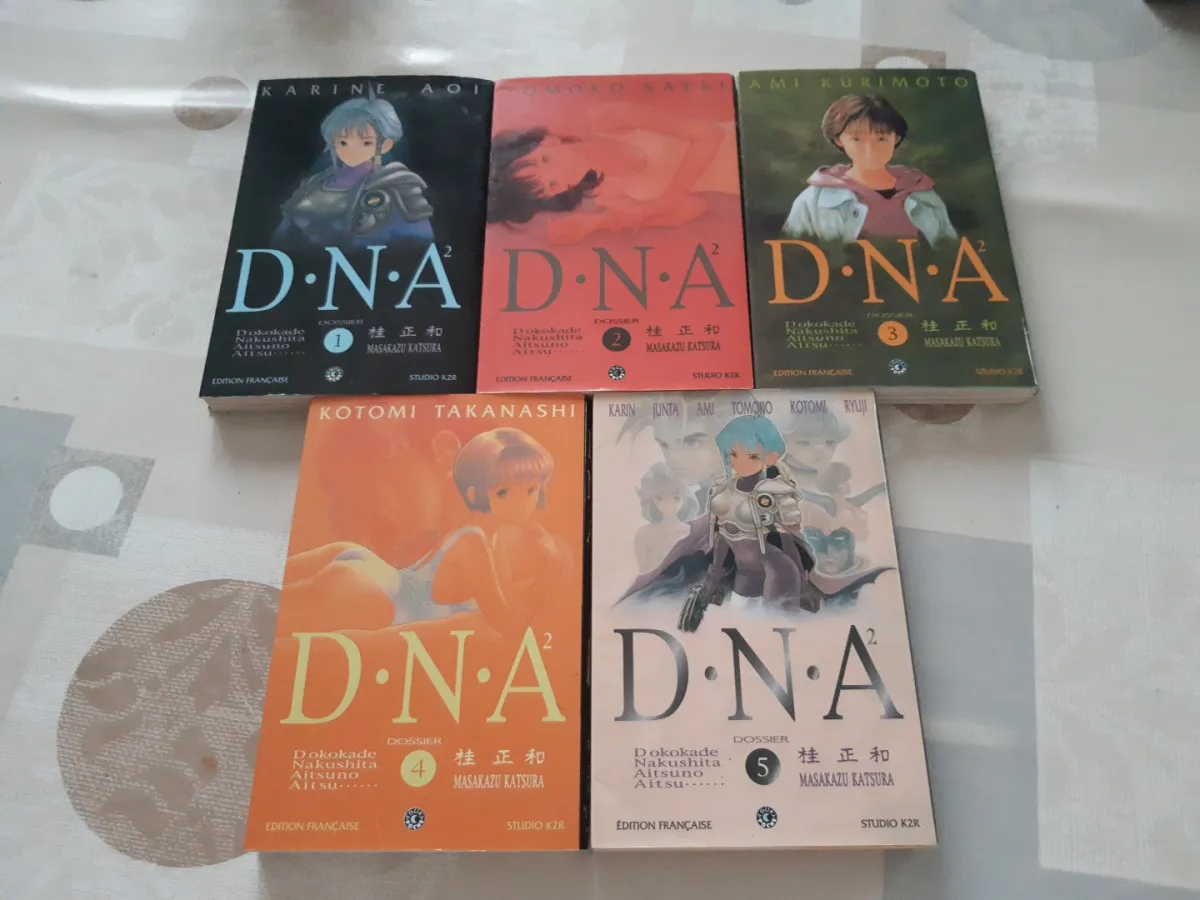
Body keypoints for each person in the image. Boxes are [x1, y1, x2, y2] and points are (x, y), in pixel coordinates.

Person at [277, 427, 572, 642]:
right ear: (474, 494)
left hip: (369, 573)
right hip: (373, 594)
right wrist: (553, 567)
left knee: (268, 594)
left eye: (532, 489)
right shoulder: (474, 545)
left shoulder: (488, 542)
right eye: (505, 492)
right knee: (264, 615)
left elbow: (508, 600)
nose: (524, 502)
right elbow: (510, 625)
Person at [617, 415, 890, 630]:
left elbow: (789, 539)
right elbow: (721, 536)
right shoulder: (723, 489)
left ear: (769, 457)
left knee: (775, 631)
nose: (740, 462)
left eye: (752, 457)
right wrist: (714, 575)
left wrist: (804, 583)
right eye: (734, 455)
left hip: (777, 569)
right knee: (740, 627)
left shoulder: (775, 492)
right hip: (741, 573)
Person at [487, 100, 738, 244]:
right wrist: (597, 224)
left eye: (546, 160)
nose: (563, 174)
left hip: (747, 141)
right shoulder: (606, 195)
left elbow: (710, 134)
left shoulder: (604, 120)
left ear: (547, 141)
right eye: (552, 185)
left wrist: (661, 203)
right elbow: (693, 208)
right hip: (742, 185)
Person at [782, 94, 956, 247]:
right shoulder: (813, 200)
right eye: (857, 139)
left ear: (896, 138)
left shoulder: (923, 195)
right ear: (839, 140)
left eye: (882, 138)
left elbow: (951, 252)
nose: (870, 150)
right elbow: (790, 257)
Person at [274, 94, 435, 248]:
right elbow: (283, 236)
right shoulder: (314, 184)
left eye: (366, 143)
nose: (352, 150)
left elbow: (418, 242)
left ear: (385, 145)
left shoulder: (397, 184)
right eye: (343, 142)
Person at [633, 462, 699, 572]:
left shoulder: (692, 532)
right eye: (659, 498)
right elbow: (643, 571)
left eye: (676, 498)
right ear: (652, 500)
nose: (668, 504)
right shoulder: (644, 534)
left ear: (685, 498)